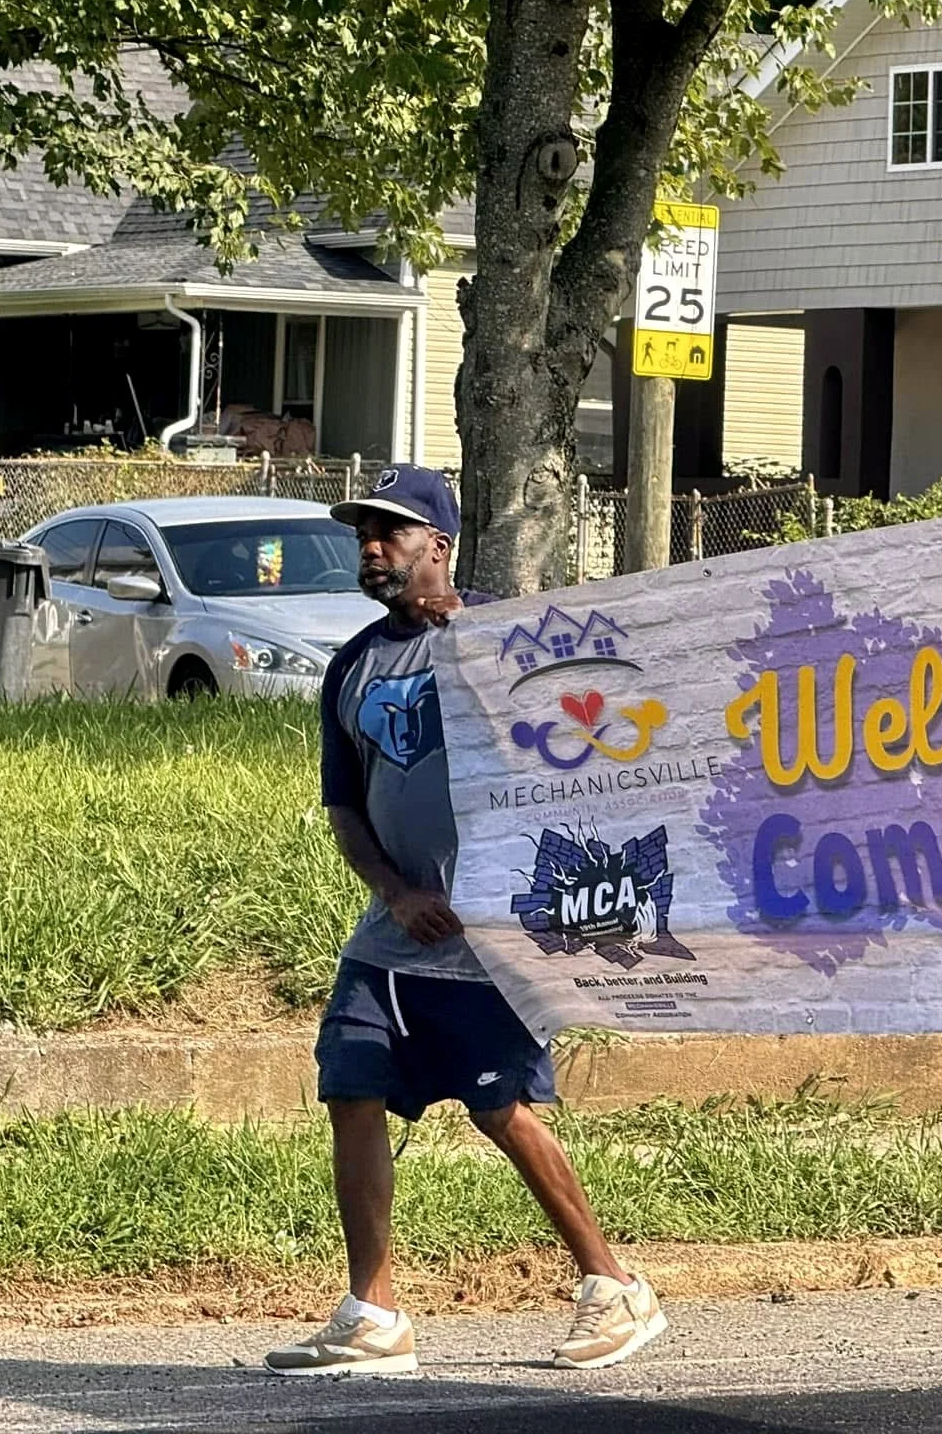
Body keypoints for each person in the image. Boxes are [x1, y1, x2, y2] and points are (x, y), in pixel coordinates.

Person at [265, 464, 667, 1377]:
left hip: (492, 935)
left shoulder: (510, 636)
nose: (371, 548)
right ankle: (374, 1314)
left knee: (500, 1106)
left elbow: (584, 741)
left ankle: (615, 1287)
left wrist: (482, 655)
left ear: (438, 546)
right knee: (351, 1086)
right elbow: (346, 806)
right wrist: (394, 892)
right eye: (362, 534)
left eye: (391, 533)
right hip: (394, 936)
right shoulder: (353, 664)